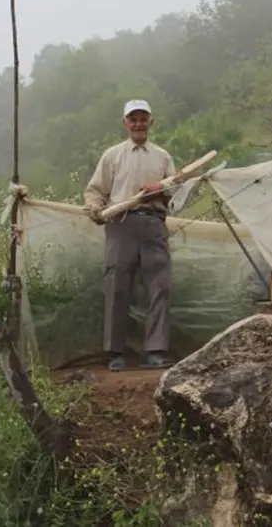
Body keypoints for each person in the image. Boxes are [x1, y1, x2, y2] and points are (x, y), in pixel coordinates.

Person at [83, 99, 177, 371]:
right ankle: (114, 353)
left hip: (153, 225)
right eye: (133, 119)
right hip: (120, 224)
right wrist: (95, 209)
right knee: (117, 287)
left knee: (160, 287)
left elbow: (177, 191)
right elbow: (95, 191)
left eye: (142, 119)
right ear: (125, 123)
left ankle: (155, 351)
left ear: (151, 122)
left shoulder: (162, 157)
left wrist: (159, 189)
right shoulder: (112, 156)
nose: (138, 124)